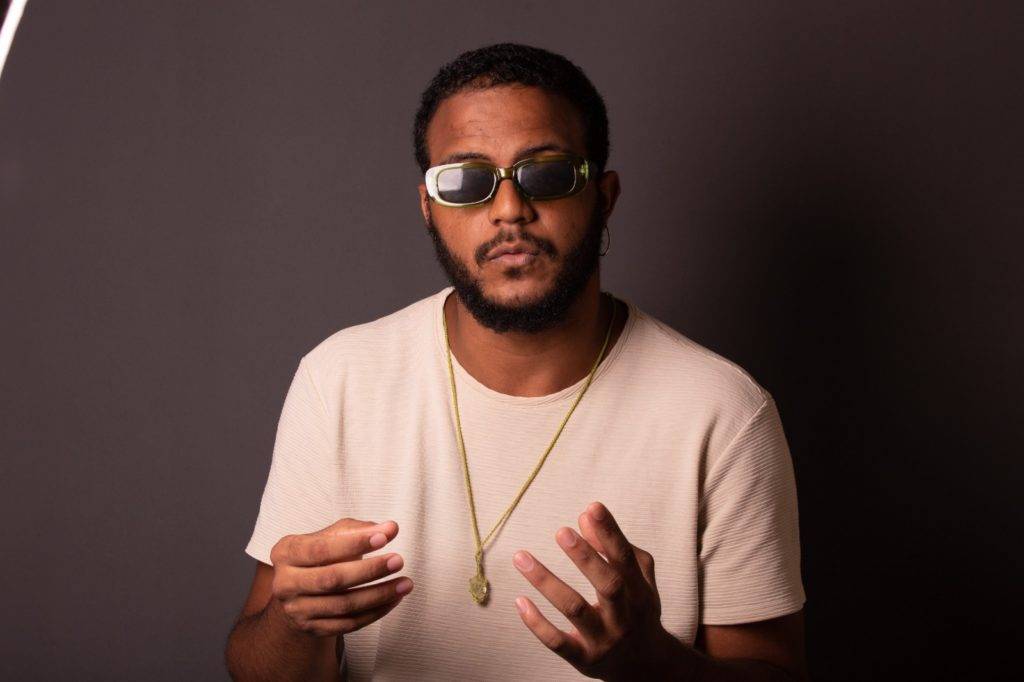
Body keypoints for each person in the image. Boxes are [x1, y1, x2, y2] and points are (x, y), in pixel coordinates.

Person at [225, 42, 808, 681]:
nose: (508, 209)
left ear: (604, 197)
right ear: (428, 207)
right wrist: (293, 623)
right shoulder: (338, 380)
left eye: (547, 174)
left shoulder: (722, 412)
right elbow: (258, 668)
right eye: (466, 181)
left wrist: (654, 665)